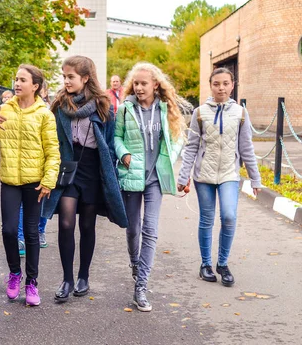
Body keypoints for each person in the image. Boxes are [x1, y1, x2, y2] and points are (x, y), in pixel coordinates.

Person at [42, 56, 128, 303]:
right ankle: (67, 279)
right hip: (68, 170)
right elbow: (53, 137)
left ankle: (83, 276)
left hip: (93, 170)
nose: (66, 81)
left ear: (85, 78)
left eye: (71, 76)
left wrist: (111, 169)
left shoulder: (103, 106)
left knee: (87, 225)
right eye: (64, 76)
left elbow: (110, 143)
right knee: (66, 223)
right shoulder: (59, 105)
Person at [0, 64, 60, 306]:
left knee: (32, 233)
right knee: (9, 230)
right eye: (16, 79)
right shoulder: (4, 109)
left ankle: (32, 282)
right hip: (10, 180)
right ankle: (14, 274)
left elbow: (53, 151)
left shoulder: (44, 114)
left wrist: (48, 180)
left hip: (35, 182)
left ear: (35, 86)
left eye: (23, 79)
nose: (17, 83)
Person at [177, 67, 261, 287]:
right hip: (203, 175)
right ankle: (205, 264)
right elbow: (191, 147)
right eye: (216, 83)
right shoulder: (199, 113)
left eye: (225, 83)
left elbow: (246, 148)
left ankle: (222, 264)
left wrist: (255, 178)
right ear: (210, 85)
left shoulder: (241, 113)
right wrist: (183, 175)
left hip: (229, 174)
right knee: (206, 219)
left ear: (232, 85)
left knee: (229, 216)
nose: (221, 88)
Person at [114, 62, 186, 312]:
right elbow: (116, 137)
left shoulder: (166, 110)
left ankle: (141, 286)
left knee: (150, 230)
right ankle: (135, 262)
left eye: (144, 83)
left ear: (156, 85)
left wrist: (170, 157)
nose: (139, 87)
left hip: (156, 177)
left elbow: (177, 139)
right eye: (136, 83)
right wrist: (123, 154)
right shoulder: (125, 109)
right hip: (132, 175)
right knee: (133, 228)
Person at [17, 81, 51, 254]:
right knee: (23, 207)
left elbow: (52, 144)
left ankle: (41, 231)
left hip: (42, 168)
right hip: (22, 170)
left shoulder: (47, 112)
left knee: (42, 204)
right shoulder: (15, 109)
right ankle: (20, 239)